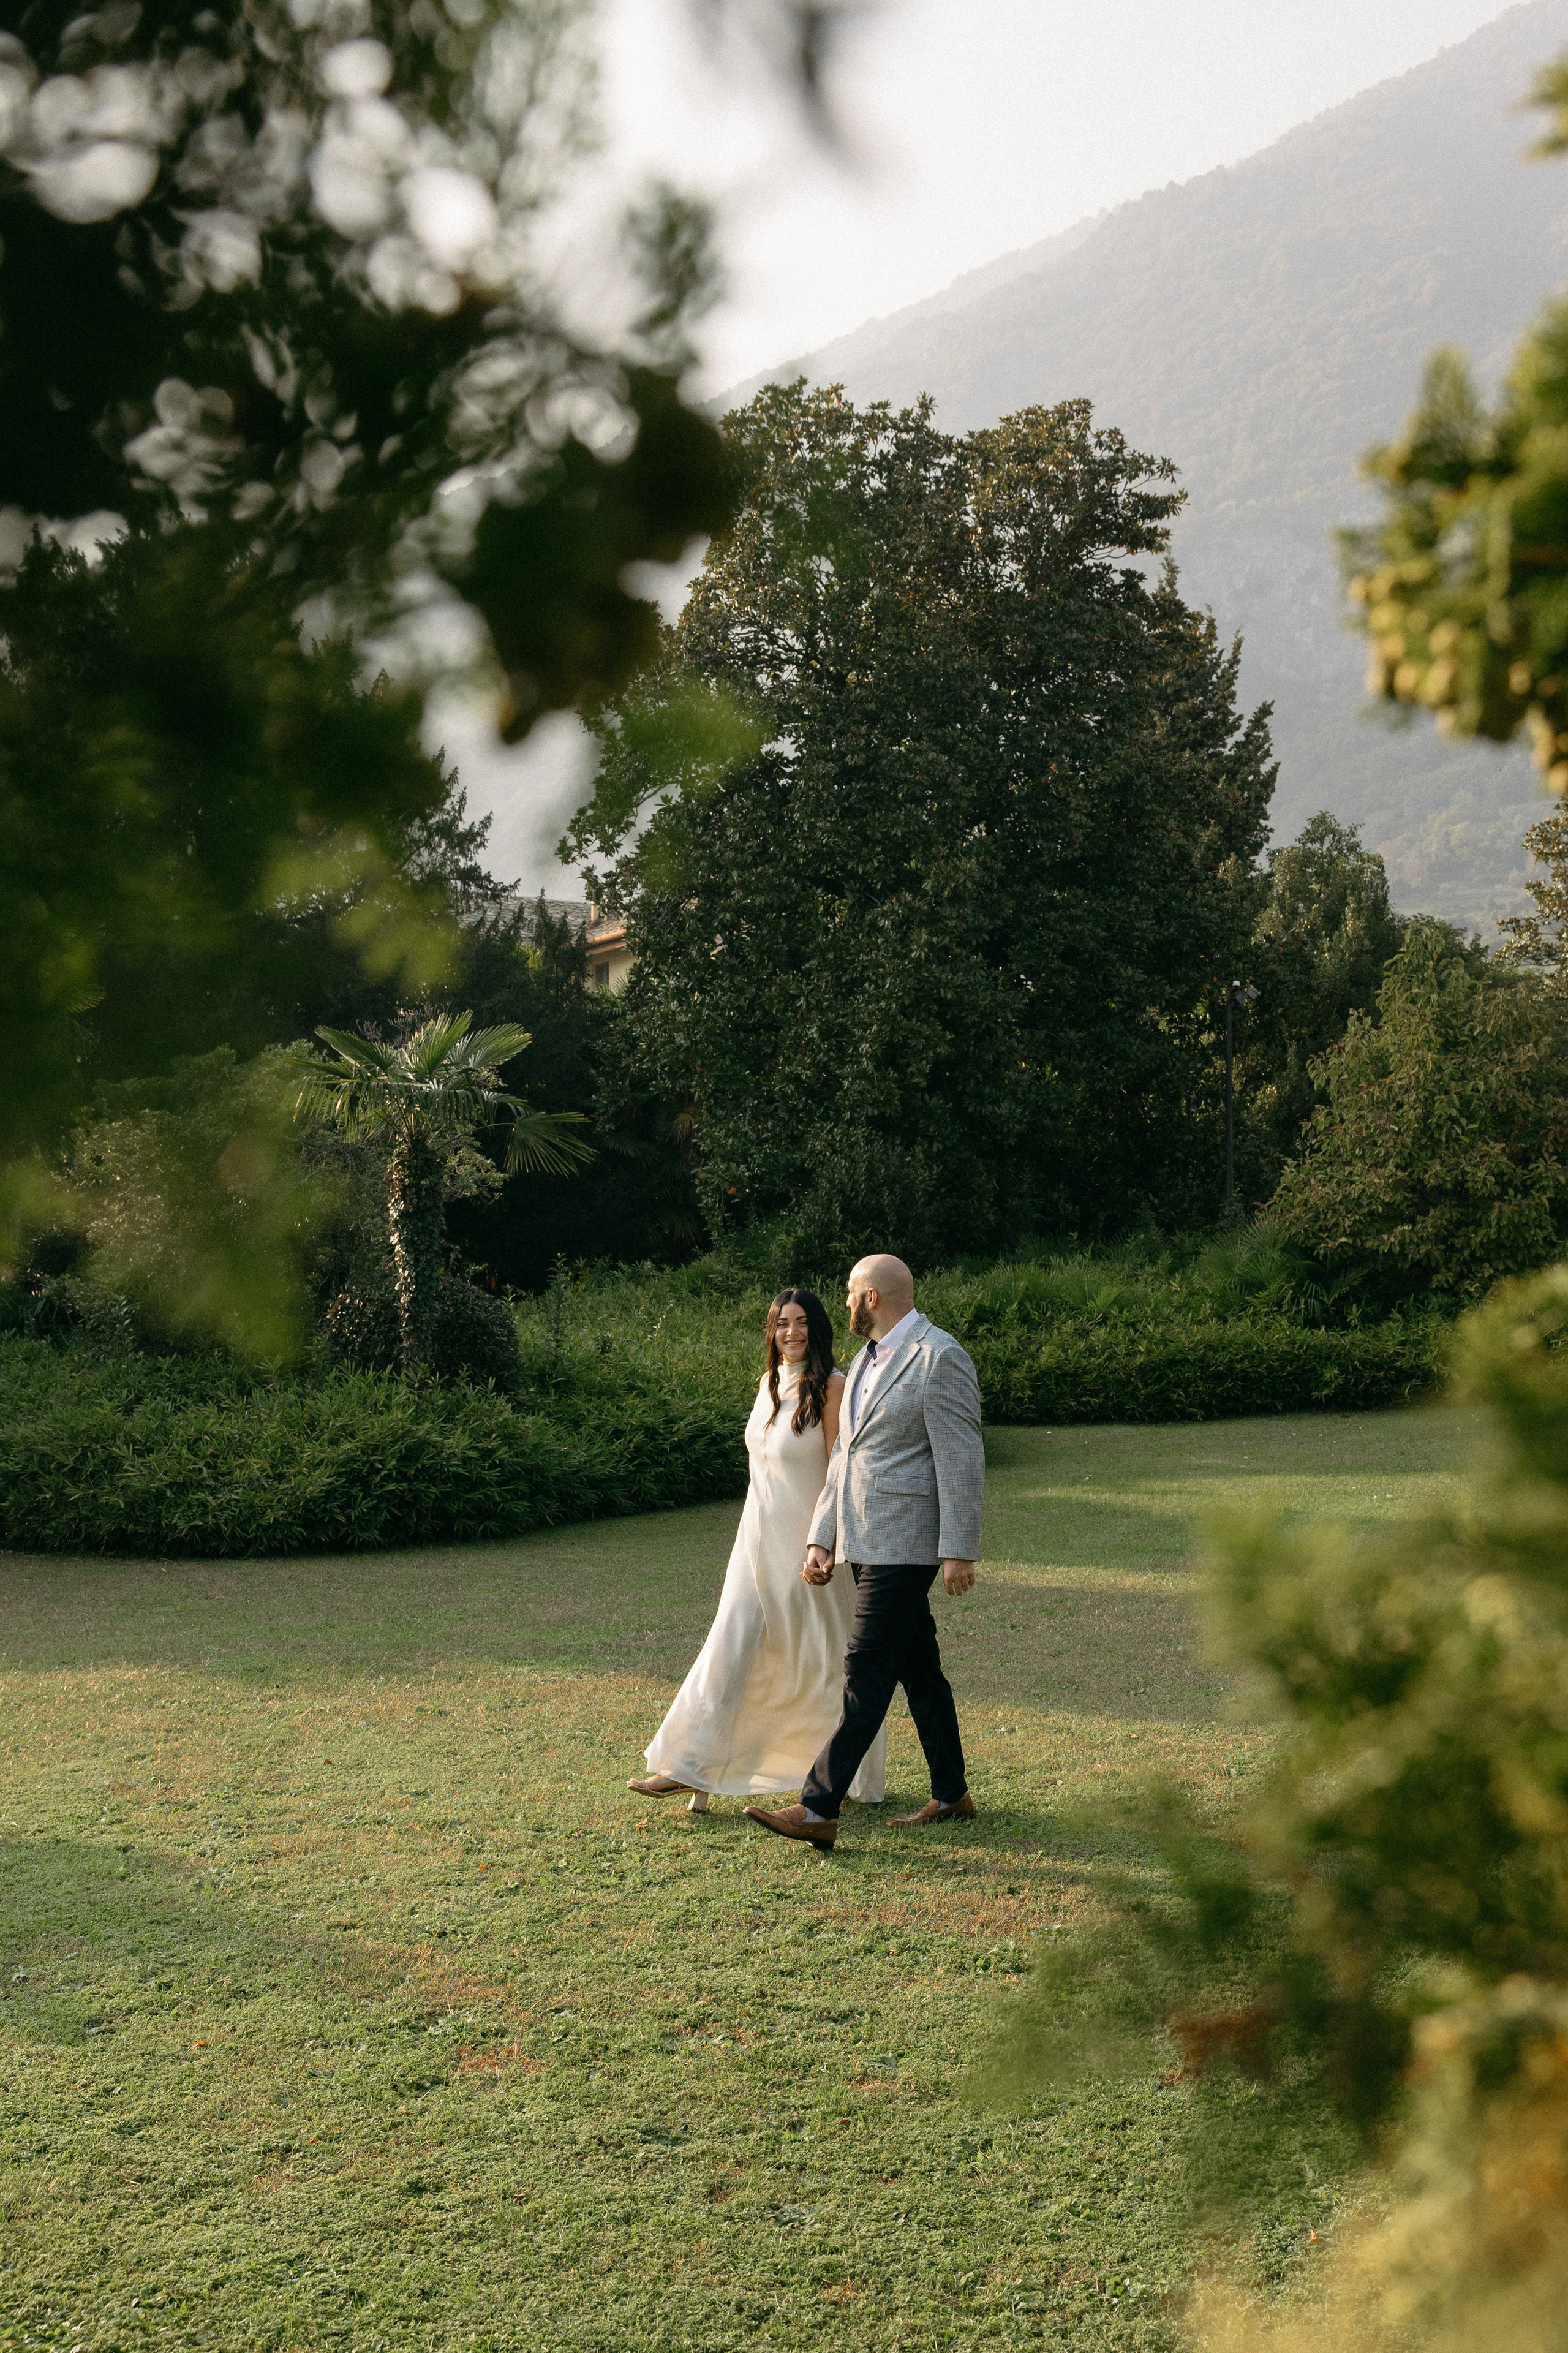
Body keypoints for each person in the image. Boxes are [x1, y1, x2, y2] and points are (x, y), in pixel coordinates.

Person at [744, 1253, 982, 1853]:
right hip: (863, 1538)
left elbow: (960, 1456)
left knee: (866, 1670)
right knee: (918, 1668)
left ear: (871, 1296)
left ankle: (818, 1805)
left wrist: (958, 1549)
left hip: (908, 1544)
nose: (844, 1301)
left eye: (850, 1291)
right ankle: (951, 1793)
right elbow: (845, 1457)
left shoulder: (939, 1356)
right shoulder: (863, 1362)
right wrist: (822, 1535)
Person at [628, 1288, 888, 1812]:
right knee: (731, 1648)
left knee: (826, 1664)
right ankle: (689, 1769)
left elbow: (841, 1469)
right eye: (781, 1324)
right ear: (771, 1332)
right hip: (754, 1544)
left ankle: (848, 1774)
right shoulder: (767, 1385)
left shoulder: (834, 1388)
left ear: (818, 1329)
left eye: (801, 1323)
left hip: (811, 1550)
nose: (791, 1333)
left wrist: (827, 1541)